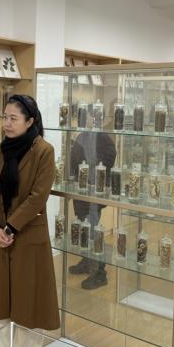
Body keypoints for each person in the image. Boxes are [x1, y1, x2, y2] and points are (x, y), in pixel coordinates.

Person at [0, 94, 59, 347]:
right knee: (3, 301)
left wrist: (11, 226)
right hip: (0, 236)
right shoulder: (1, 149)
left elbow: (38, 197)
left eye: (13, 118)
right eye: (5, 117)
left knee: (28, 304)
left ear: (30, 121)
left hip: (27, 236)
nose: (6, 123)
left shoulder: (44, 151)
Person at [69, 121, 116, 289]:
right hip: (81, 190)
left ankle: (99, 273)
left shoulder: (102, 137)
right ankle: (88, 261)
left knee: (93, 230)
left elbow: (109, 158)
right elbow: (73, 159)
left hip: (94, 190)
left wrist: (91, 169)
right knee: (84, 227)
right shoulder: (82, 136)